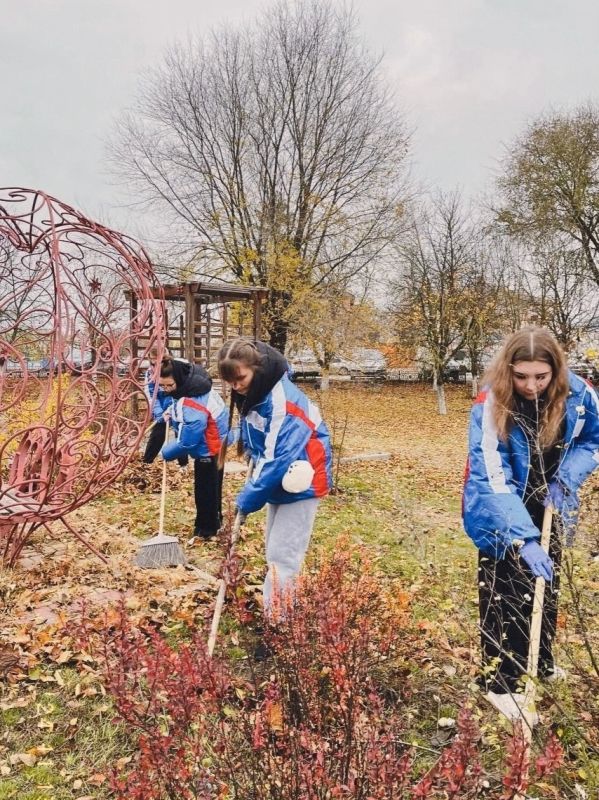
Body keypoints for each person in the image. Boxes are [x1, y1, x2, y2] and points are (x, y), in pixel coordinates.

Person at [463, 326, 599, 721]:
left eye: (541, 376)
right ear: (509, 370)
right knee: (504, 590)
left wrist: (566, 479)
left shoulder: (579, 396)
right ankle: (500, 682)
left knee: (545, 585)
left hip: (550, 501)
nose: (531, 385)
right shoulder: (491, 403)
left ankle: (539, 664)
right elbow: (490, 475)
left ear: (555, 370)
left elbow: (594, 440)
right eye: (521, 376)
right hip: (498, 505)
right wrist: (522, 537)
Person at [217, 338, 333, 614]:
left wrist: (248, 497)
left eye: (240, 378)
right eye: (230, 381)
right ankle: (278, 611)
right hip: (279, 479)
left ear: (257, 368)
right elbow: (260, 445)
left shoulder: (283, 400)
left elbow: (277, 455)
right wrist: (251, 463)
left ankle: (280, 625)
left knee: (284, 556)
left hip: (302, 480)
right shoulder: (257, 393)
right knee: (274, 549)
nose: (236, 386)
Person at [158, 356, 228, 540]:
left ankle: (206, 530)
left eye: (169, 385)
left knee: (205, 492)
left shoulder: (192, 399)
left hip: (209, 449)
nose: (165, 390)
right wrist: (171, 413)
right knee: (213, 488)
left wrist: (166, 453)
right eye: (162, 386)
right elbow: (181, 407)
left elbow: (188, 440)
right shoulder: (192, 385)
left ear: (178, 380)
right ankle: (215, 522)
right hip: (217, 445)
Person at [142, 348, 189, 469]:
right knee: (158, 432)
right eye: (153, 363)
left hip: (179, 404)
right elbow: (152, 395)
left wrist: (175, 407)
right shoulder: (150, 374)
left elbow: (187, 388)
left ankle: (183, 465)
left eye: (161, 362)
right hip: (162, 407)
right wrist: (159, 414)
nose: (157, 366)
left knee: (180, 432)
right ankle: (147, 462)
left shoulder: (179, 367)